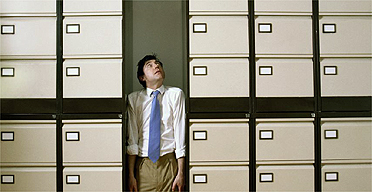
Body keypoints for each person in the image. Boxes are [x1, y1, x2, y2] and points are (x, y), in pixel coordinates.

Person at [127, 54, 186, 192]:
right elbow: (133, 140)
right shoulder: (134, 99)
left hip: (169, 163)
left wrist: (181, 173)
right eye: (150, 65)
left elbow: (180, 134)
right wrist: (131, 175)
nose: (156, 66)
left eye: (158, 63)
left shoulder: (175, 94)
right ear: (142, 77)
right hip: (144, 165)